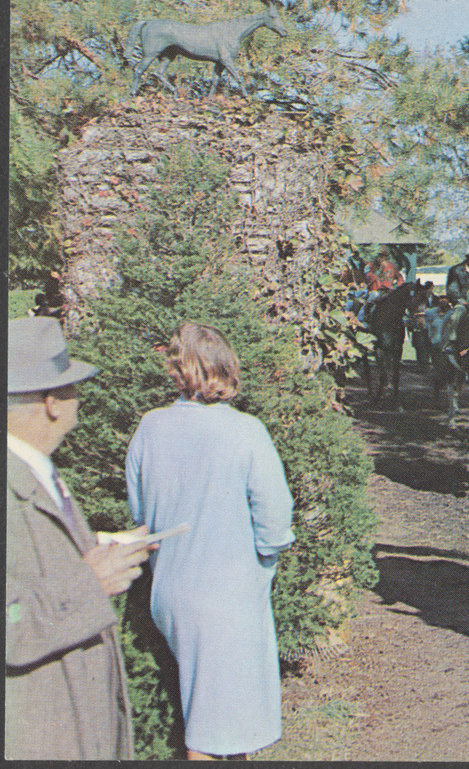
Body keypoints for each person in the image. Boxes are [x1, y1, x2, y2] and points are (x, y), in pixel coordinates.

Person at [126, 323, 296, 760]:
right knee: (208, 733)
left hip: (169, 592)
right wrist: (263, 556)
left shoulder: (149, 428)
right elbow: (275, 518)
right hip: (226, 597)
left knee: (218, 718)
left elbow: (141, 515)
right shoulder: (245, 431)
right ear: (226, 368)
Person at [7, 316, 155, 760]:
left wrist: (98, 546)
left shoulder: (36, 468)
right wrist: (91, 581)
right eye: (74, 387)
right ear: (53, 402)